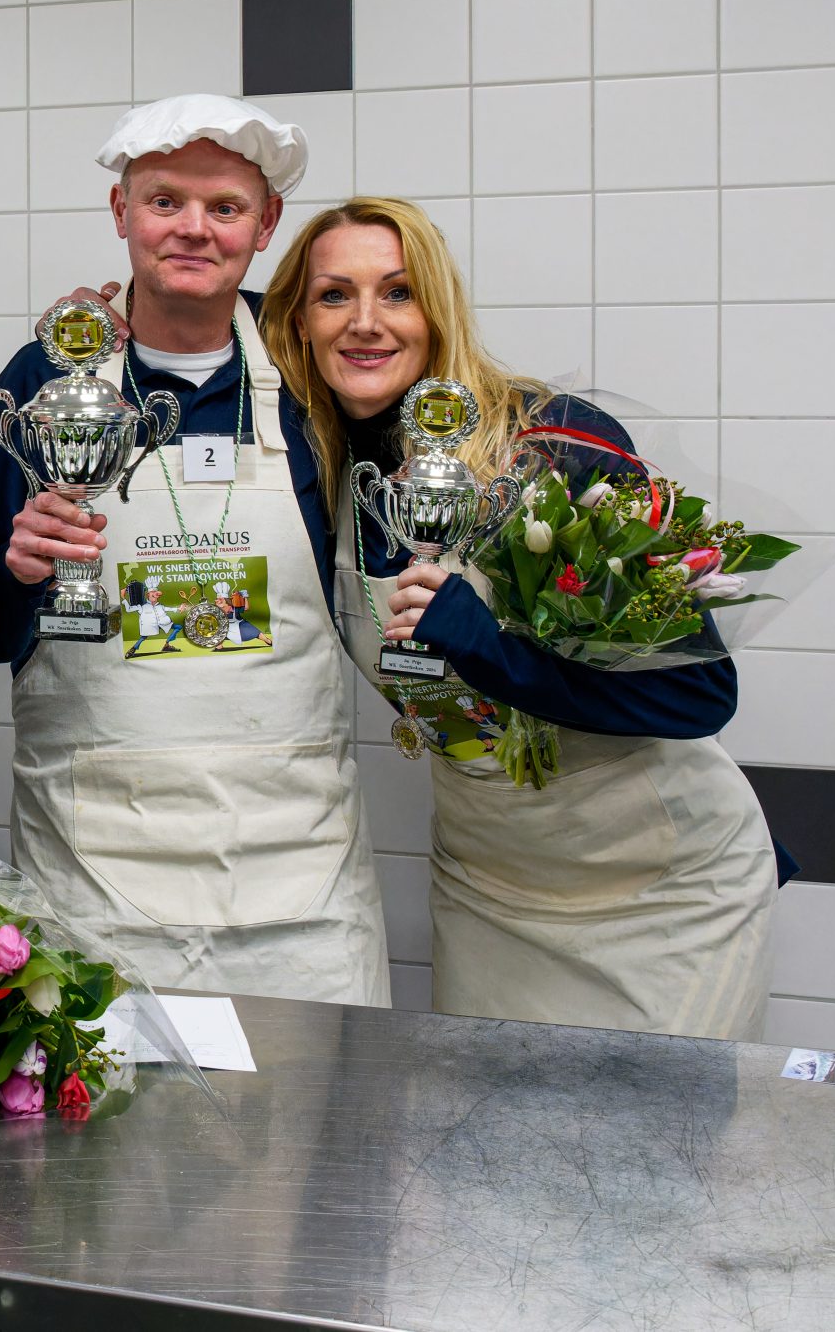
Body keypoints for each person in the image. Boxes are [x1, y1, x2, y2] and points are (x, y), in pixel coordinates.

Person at [259, 196, 776, 1038]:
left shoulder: (550, 444)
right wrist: (125, 313)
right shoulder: (321, 468)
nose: (365, 321)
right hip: (489, 893)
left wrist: (488, 645)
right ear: (299, 322)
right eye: (333, 295)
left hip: (662, 896)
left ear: (438, 308)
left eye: (398, 291)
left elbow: (700, 695)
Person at [0, 94, 388, 1005]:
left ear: (266, 225)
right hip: (96, 879)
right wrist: (15, 566)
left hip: (301, 886)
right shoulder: (47, 376)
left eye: (225, 207)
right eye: (164, 201)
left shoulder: (311, 367)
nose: (194, 228)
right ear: (121, 211)